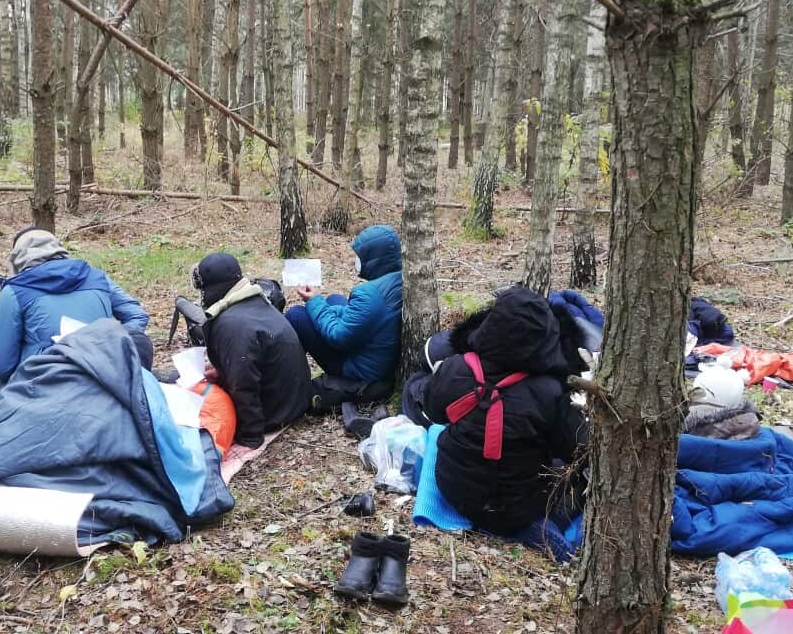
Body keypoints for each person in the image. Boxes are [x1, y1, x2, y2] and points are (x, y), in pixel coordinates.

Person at [421, 286, 588, 537]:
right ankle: (543, 531)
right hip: (518, 511)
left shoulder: (456, 367)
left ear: (491, 325)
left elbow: (434, 412)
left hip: (454, 491)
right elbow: (578, 450)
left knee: (439, 433)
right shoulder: (550, 392)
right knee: (571, 477)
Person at [0, 228, 151, 416]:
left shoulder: (15, 291)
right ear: (59, 249)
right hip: (105, 381)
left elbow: (1, 366)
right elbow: (137, 315)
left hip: (43, 390)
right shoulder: (96, 277)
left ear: (16, 259)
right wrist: (111, 342)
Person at [195, 253, 310, 448]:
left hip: (274, 414)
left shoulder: (231, 324)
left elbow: (243, 384)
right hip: (293, 402)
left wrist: (250, 436)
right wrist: (224, 371)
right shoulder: (256, 302)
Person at [285, 224, 402, 391]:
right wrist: (324, 307)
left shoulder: (369, 295)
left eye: (360, 256)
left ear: (375, 258)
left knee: (296, 315)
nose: (356, 260)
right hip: (379, 354)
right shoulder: (399, 279)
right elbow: (365, 316)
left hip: (360, 371)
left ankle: (293, 384)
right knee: (334, 299)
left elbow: (338, 337)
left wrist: (314, 301)